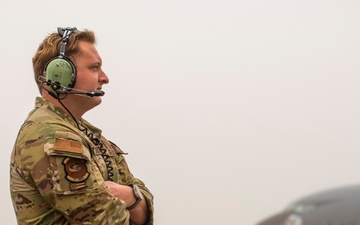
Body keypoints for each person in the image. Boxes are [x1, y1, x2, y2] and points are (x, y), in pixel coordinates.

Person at [10, 27, 154, 225]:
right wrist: (133, 203)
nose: (104, 78)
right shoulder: (50, 135)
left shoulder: (84, 133)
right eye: (94, 68)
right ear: (60, 75)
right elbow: (106, 220)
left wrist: (129, 195)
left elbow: (145, 211)